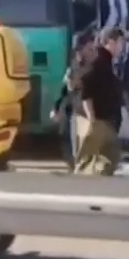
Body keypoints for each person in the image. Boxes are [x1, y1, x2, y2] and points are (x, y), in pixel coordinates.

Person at [73, 27, 126, 176]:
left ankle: (94, 182)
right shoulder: (99, 60)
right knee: (89, 159)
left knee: (109, 158)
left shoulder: (107, 61)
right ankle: (78, 184)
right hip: (97, 120)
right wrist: (92, 119)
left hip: (105, 120)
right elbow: (85, 86)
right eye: (121, 42)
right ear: (111, 42)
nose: (123, 47)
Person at [50, 32, 95, 171]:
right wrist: (56, 109)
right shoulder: (74, 68)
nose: (92, 52)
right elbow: (65, 90)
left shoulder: (93, 66)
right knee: (72, 146)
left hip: (89, 113)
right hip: (77, 113)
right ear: (80, 49)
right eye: (89, 48)